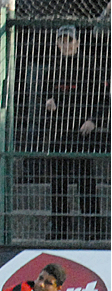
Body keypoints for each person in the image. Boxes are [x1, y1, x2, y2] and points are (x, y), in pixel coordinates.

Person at [37, 26, 109, 240]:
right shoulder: (52, 67)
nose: (65, 45)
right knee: (58, 182)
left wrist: (93, 121)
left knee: (86, 181)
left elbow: (104, 98)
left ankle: (93, 229)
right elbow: (43, 95)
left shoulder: (89, 66)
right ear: (57, 44)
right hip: (59, 132)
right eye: (62, 41)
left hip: (82, 132)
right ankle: (59, 228)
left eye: (69, 41)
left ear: (77, 43)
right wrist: (47, 102)